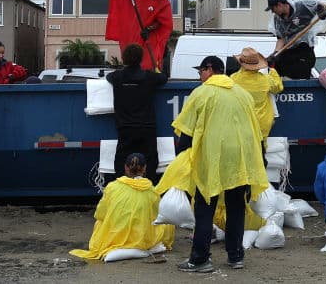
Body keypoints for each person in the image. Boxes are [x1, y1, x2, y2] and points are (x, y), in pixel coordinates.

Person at [171, 55, 268, 273]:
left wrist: (181, 159)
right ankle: (236, 257)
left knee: (205, 209)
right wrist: (260, 158)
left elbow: (186, 131)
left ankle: (200, 259)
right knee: (236, 208)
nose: (199, 76)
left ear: (210, 69)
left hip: (212, 158)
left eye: (200, 72)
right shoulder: (242, 94)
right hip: (240, 159)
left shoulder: (202, 93)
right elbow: (256, 130)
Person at [69, 152, 175, 262]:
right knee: (167, 223)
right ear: (144, 168)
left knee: (100, 222)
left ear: (125, 167)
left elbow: (100, 214)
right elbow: (157, 217)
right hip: (142, 236)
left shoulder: (112, 187)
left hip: (115, 234)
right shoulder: (152, 190)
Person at [106, 44, 169, 182]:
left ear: (124, 58)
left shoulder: (116, 77)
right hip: (147, 127)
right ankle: (148, 187)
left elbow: (108, 77)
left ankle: (123, 187)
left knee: (122, 159)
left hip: (125, 128)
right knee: (150, 160)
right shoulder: (150, 77)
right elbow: (163, 78)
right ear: (141, 59)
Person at [105, 0, 173, 73]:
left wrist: (149, 29)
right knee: (131, 59)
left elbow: (163, 22)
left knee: (148, 62)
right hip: (131, 34)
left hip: (148, 37)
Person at [266, 0, 326, 79]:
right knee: (276, 66)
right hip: (289, 49)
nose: (272, 12)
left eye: (273, 9)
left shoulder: (302, 6)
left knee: (300, 69)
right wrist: (276, 53)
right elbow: (281, 39)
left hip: (304, 49)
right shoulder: (277, 19)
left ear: (279, 5)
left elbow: (323, 4)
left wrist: (322, 10)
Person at [228, 47, 283, 142]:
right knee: (260, 153)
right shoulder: (266, 79)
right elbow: (278, 88)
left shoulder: (233, 79)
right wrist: (272, 70)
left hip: (242, 125)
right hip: (261, 126)